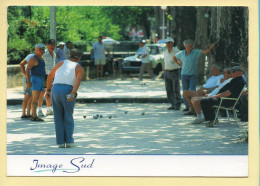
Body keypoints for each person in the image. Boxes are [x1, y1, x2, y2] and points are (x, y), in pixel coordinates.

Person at [46, 49, 84, 148]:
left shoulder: (60, 63)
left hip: (55, 89)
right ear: (79, 58)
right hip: (67, 89)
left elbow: (50, 76)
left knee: (58, 117)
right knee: (68, 116)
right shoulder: (79, 67)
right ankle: (69, 141)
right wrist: (72, 93)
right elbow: (77, 82)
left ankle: (60, 142)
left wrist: (48, 90)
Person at [173, 39, 215, 111]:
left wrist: (211, 48)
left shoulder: (195, 52)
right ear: (185, 47)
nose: (189, 48)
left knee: (192, 90)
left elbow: (204, 51)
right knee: (185, 90)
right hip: (184, 74)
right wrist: (180, 64)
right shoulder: (182, 53)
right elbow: (174, 57)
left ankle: (194, 105)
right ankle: (187, 106)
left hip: (192, 74)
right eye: (188, 46)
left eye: (190, 46)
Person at [25, 43, 46, 121]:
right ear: (35, 50)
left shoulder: (41, 58)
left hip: (40, 79)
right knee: (35, 99)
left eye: (43, 49)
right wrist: (28, 81)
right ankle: (34, 116)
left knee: (38, 98)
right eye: (39, 49)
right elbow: (27, 70)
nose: (41, 51)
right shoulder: (33, 58)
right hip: (35, 79)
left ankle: (34, 115)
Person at [38, 39, 56, 116]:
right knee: (41, 93)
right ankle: (39, 110)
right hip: (44, 75)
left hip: (51, 76)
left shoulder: (54, 55)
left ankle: (49, 109)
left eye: (54, 45)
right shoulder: (43, 54)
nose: (52, 47)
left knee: (49, 93)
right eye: (51, 45)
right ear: (47, 45)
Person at [163, 37, 181, 110]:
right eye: (167, 43)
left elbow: (181, 60)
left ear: (172, 43)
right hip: (167, 71)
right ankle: (172, 104)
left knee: (176, 89)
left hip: (175, 71)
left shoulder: (176, 51)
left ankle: (177, 104)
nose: (168, 44)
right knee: (168, 89)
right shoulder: (165, 51)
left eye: (169, 42)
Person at [19, 54, 34, 118]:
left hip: (33, 78)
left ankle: (28, 113)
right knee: (27, 96)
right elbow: (21, 64)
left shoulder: (40, 57)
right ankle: (23, 113)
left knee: (31, 96)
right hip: (28, 77)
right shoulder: (31, 56)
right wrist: (26, 76)